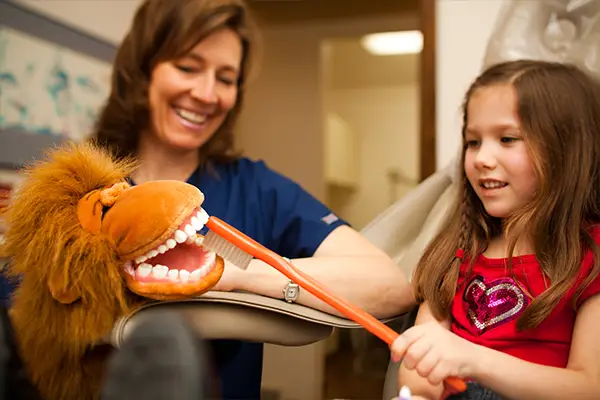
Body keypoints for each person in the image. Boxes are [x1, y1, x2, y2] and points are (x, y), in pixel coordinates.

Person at [89, 0, 414, 398]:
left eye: (226, 79)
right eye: (188, 67)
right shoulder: (83, 189)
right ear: (143, 69)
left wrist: (239, 275)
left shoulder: (259, 189)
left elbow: (389, 285)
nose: (207, 94)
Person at [390, 59, 600, 400]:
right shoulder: (459, 250)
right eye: (473, 142)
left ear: (566, 149)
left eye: (507, 139)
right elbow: (416, 378)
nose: (482, 158)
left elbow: (591, 388)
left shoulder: (592, 256)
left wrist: (472, 360)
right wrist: (425, 373)